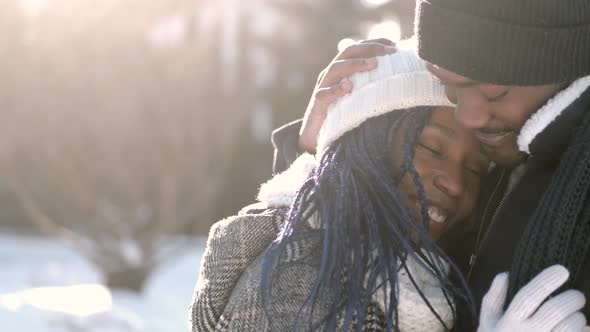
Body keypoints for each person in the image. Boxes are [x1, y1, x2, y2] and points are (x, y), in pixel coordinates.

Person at [190, 50, 586, 331]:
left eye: (476, 171)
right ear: (367, 148)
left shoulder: (410, 276)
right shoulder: (295, 283)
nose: (456, 181)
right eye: (431, 147)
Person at [276, 0, 590, 330]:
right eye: (449, 86)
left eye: (494, 93)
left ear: (560, 63)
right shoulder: (503, 154)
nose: (467, 117)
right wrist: (320, 152)